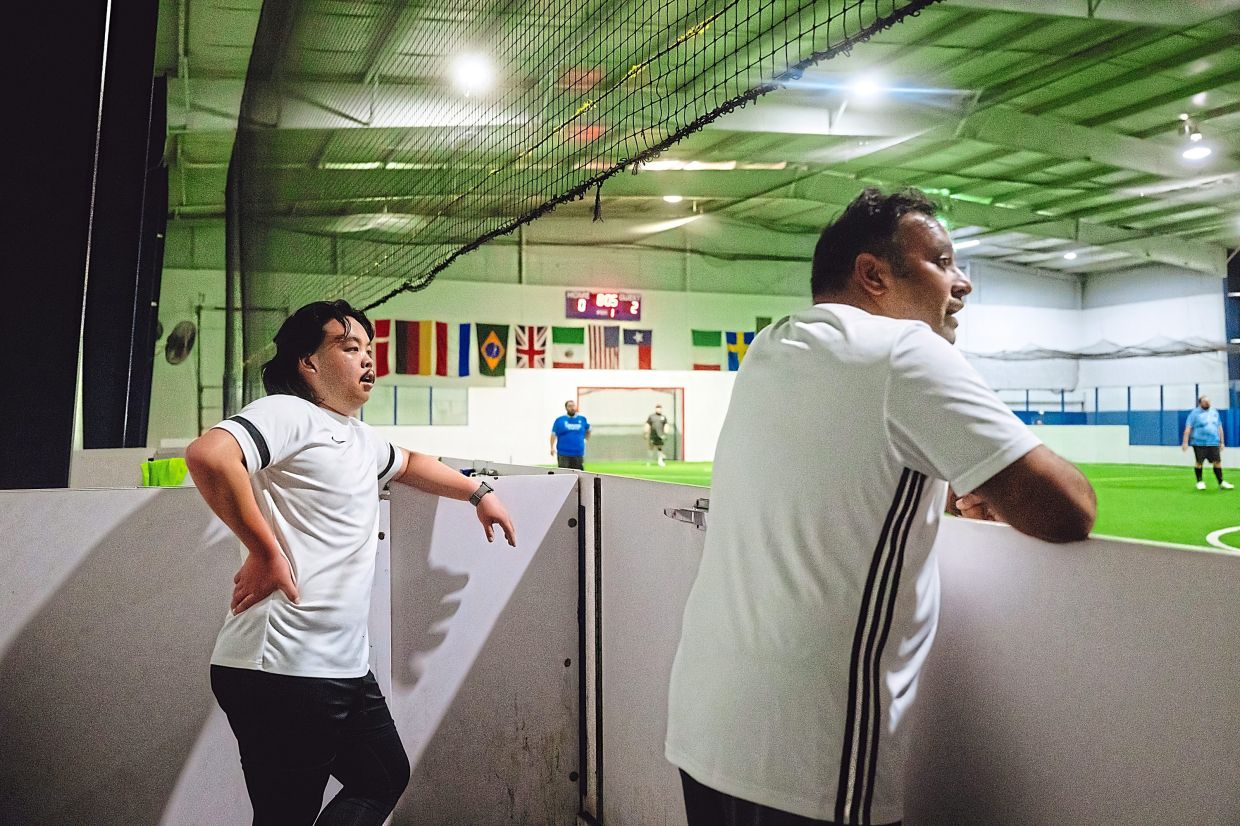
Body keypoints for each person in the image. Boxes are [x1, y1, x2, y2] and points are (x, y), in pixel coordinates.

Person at [665, 188, 1096, 826]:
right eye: (943, 261)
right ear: (873, 274)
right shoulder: (907, 352)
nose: (963, 283)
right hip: (807, 756)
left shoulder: (772, 348)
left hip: (705, 728)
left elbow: (839, 466)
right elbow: (1066, 507)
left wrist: (952, 485)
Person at [185, 300, 516, 826]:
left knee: (381, 776)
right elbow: (209, 456)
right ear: (307, 363)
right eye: (349, 347)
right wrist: (265, 550)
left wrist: (479, 493)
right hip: (284, 670)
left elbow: (410, 463)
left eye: (370, 348)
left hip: (339, 667)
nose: (368, 360)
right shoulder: (288, 412)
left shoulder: (358, 438)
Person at [1181, 395, 1232, 490]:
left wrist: (1222, 442)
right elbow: (1188, 428)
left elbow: (1219, 427)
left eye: (1209, 401)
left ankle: (1221, 482)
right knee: (1199, 462)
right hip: (1199, 443)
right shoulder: (1194, 413)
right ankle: (1199, 482)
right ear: (1200, 403)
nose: (1208, 403)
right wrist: (1185, 442)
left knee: (1217, 462)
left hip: (1213, 442)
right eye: (1205, 402)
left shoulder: (1214, 412)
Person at [550, 399, 590, 470]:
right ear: (566, 408)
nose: (572, 408)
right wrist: (552, 447)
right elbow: (553, 434)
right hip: (563, 453)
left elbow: (588, 430)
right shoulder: (560, 420)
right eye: (570, 406)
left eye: (573, 406)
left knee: (579, 475)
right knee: (564, 475)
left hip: (578, 453)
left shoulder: (582, 419)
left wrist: (586, 440)